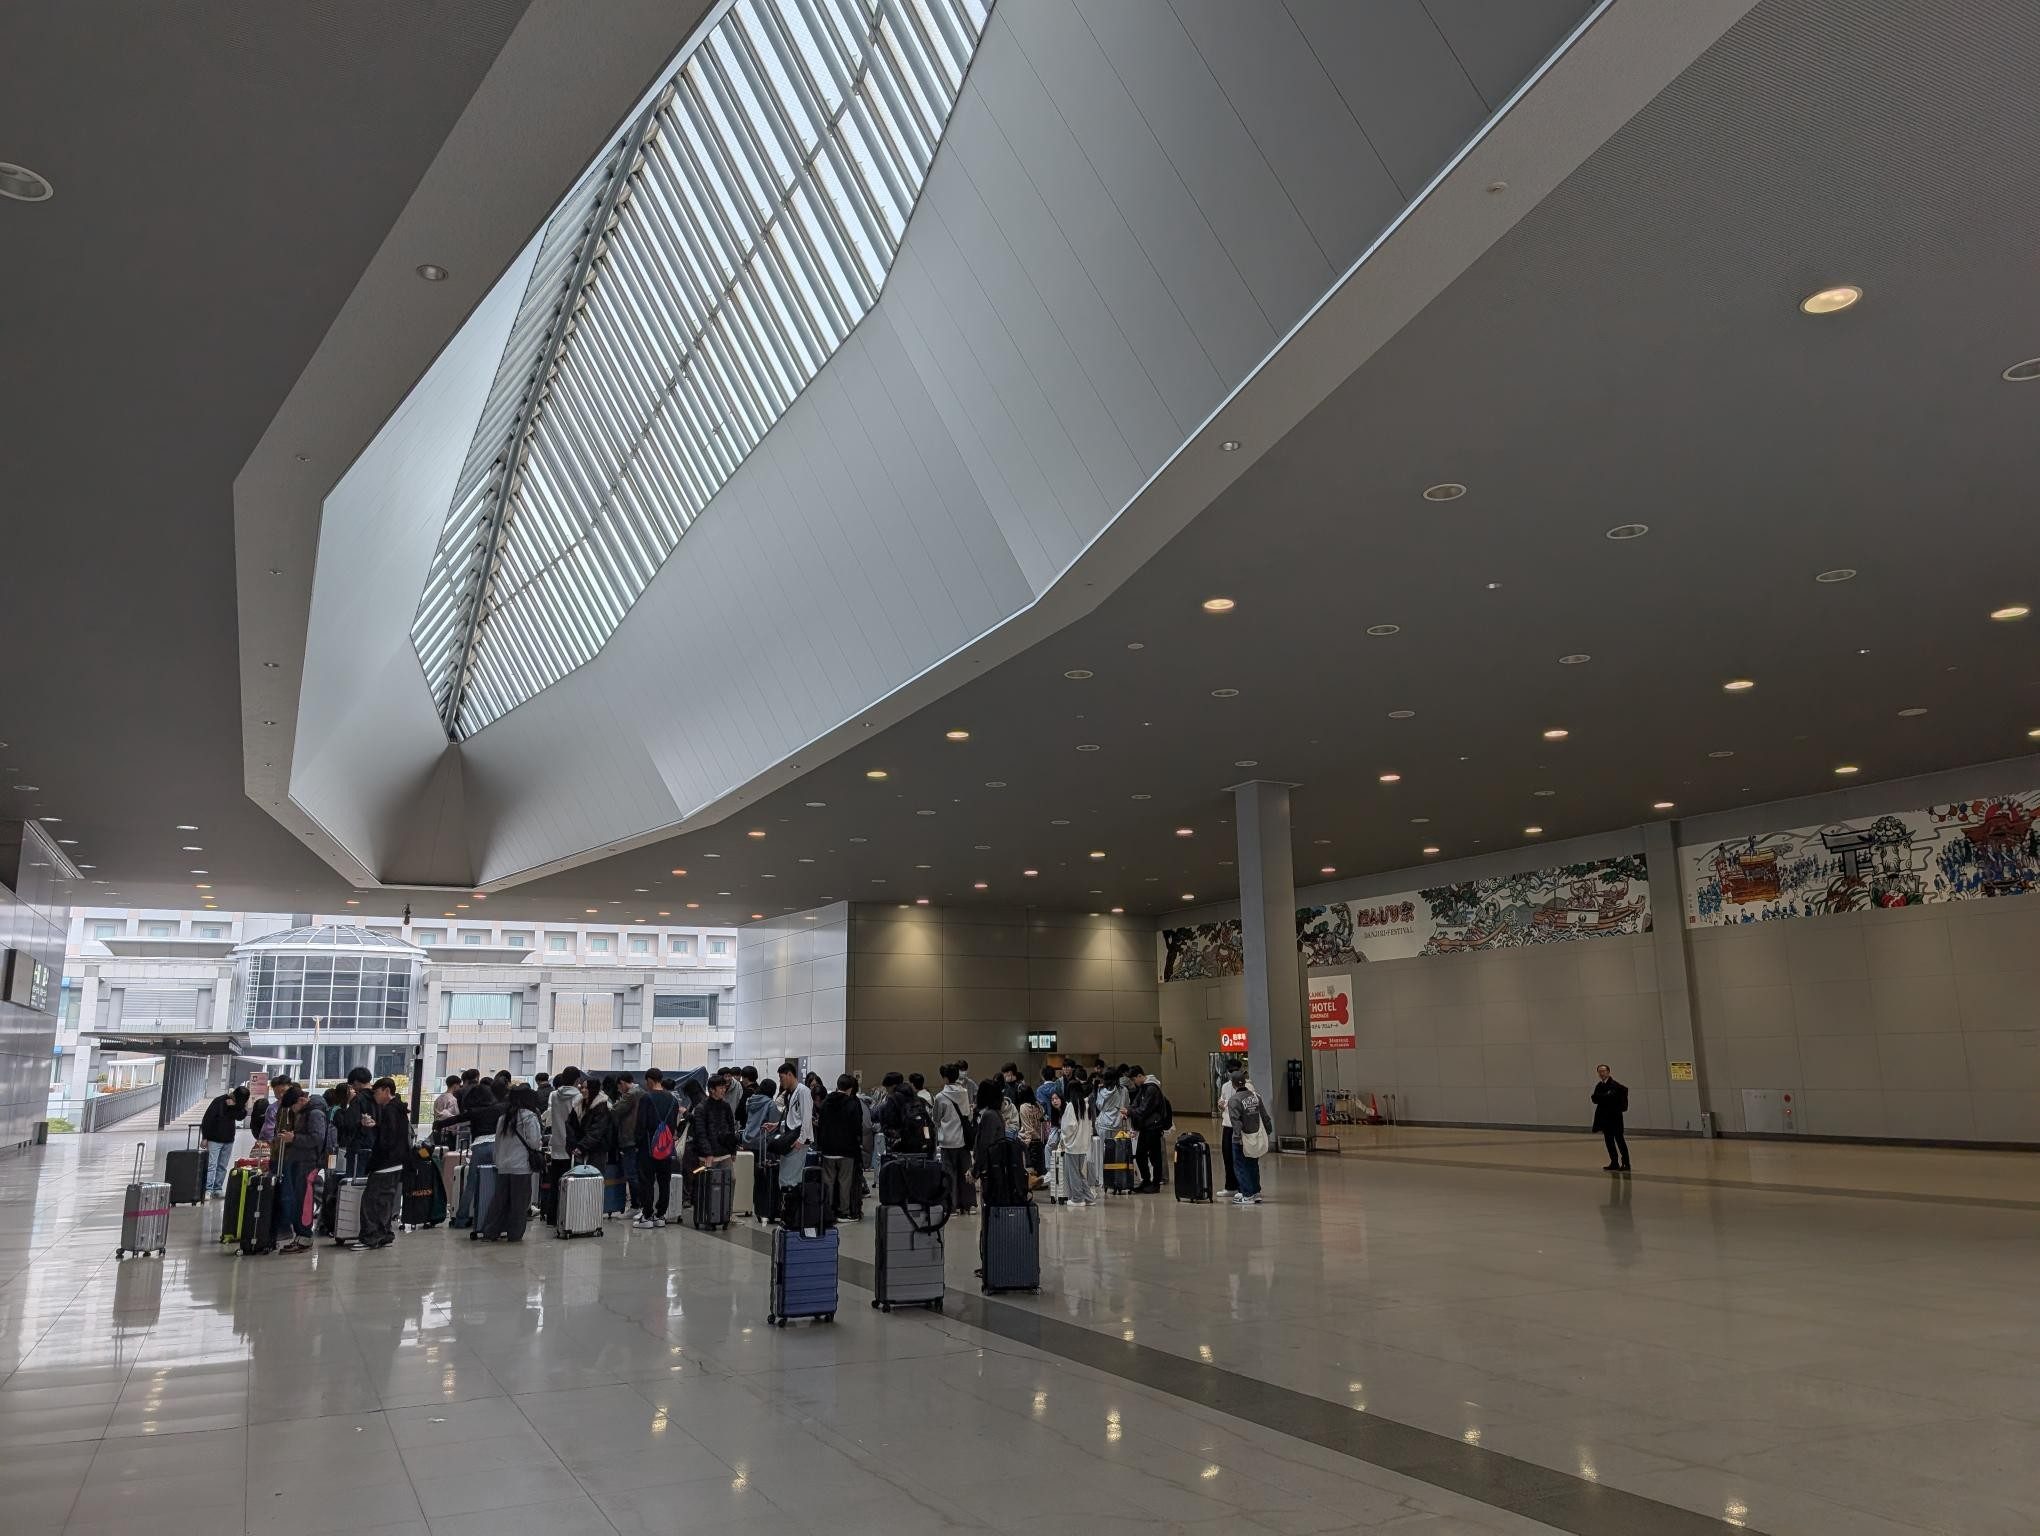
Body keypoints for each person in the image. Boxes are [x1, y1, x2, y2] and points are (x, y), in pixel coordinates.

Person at [480, 1086, 544, 1242]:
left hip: (503, 1165)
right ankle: (514, 1234)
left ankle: (491, 1232)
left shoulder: (503, 1118)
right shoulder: (529, 1117)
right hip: (521, 1167)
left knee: (499, 1201)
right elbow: (534, 1143)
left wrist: (498, 1160)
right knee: (519, 1203)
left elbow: (497, 1142)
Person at [272, 1083, 329, 1253]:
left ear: (301, 1100)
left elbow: (317, 1139)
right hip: (299, 1161)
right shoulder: (306, 1113)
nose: (293, 1110)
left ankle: (305, 1236)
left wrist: (294, 1138)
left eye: (293, 1106)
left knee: (304, 1200)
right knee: (298, 1199)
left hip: (308, 1163)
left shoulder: (315, 1114)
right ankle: (300, 1235)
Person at [356, 1077, 410, 1250]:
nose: (375, 1096)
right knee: (385, 1201)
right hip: (397, 1162)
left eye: (377, 1092)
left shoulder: (389, 1110)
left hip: (385, 1162)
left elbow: (389, 1138)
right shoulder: (400, 1108)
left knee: (371, 1201)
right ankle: (384, 1234)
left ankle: (370, 1237)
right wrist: (377, 1126)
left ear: (387, 1090)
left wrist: (379, 1151)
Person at [436, 1079, 497, 1228]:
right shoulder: (497, 1110)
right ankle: (490, 1219)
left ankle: (461, 1219)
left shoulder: (474, 1112)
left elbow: (456, 1119)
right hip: (497, 1146)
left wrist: (439, 1124)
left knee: (471, 1184)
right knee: (495, 1183)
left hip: (479, 1147)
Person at [633, 1068, 680, 1228]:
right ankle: (661, 1215)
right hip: (666, 1147)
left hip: (648, 1147)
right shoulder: (673, 1100)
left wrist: (637, 1143)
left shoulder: (646, 1098)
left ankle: (646, 1216)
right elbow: (673, 1125)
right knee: (664, 1181)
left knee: (646, 1181)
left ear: (650, 1080)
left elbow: (641, 1124)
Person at [815, 1073, 865, 1219]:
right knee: (844, 1182)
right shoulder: (852, 1104)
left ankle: (827, 1211)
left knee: (828, 1181)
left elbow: (821, 1124)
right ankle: (844, 1211)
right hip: (847, 1150)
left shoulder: (826, 1102)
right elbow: (857, 1127)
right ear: (850, 1088)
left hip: (828, 1149)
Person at [771, 1061, 814, 1218]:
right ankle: (789, 1212)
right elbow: (793, 1118)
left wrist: (801, 1139)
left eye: (782, 1078)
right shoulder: (791, 1093)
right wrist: (776, 1125)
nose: (781, 1081)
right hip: (791, 1138)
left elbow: (806, 1118)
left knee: (790, 1178)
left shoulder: (803, 1091)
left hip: (798, 1141)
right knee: (785, 1177)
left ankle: (792, 1214)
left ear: (790, 1075)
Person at [1225, 1070, 1272, 1206]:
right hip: (1256, 1136)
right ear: (1245, 1081)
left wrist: (1237, 1138)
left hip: (1242, 1138)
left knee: (1240, 1166)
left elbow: (1236, 1122)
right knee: (1253, 1164)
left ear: (1233, 1084)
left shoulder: (1234, 1100)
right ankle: (1256, 1192)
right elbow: (1265, 1116)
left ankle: (1247, 1194)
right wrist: (1268, 1130)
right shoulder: (1255, 1097)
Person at [934, 1063, 972, 1211]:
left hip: (947, 1140)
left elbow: (936, 1118)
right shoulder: (964, 1092)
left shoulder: (940, 1097)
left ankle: (951, 1205)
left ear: (945, 1078)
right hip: (963, 1139)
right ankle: (967, 1204)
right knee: (965, 1172)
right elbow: (968, 1114)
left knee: (949, 1174)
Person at [199, 1085, 249, 1197]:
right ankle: (207, 1189)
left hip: (229, 1139)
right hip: (214, 1139)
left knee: (222, 1166)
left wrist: (236, 1106)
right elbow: (207, 1119)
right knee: (211, 1165)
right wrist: (205, 1137)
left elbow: (240, 1116)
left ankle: (217, 1188)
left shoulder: (237, 1105)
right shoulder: (219, 1101)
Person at [1128, 1066, 1169, 1193]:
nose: (1134, 1082)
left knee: (1155, 1156)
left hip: (1154, 1126)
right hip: (1146, 1127)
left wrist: (1130, 1112)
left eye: (1134, 1079)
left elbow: (1144, 1109)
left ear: (1140, 1076)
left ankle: (1155, 1184)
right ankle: (1146, 1181)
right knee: (1140, 1155)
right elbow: (1136, 1104)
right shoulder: (1144, 1088)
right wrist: (1130, 1110)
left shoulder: (1151, 1088)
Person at [688, 1071, 740, 1170]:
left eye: (724, 1087)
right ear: (712, 1089)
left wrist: (733, 1150)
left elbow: (731, 1128)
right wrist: (708, 1153)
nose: (724, 1090)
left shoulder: (726, 1106)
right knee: (709, 1179)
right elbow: (701, 1133)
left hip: (725, 1153)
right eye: (721, 1088)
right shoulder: (701, 1107)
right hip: (708, 1155)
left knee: (729, 1178)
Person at [1055, 1085, 1095, 1205]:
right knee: (1080, 1172)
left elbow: (1069, 1126)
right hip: (1083, 1145)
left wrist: (1064, 1138)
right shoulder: (1086, 1105)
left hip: (1073, 1145)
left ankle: (1077, 1199)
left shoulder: (1071, 1105)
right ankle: (1088, 1198)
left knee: (1073, 1173)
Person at [336, 1066, 377, 1177]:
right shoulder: (377, 1097)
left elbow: (349, 1123)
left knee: (354, 1181)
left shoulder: (358, 1099)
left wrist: (349, 1103)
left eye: (352, 1085)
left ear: (356, 1082)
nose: (353, 1088)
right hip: (375, 1147)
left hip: (359, 1148)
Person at [612, 1073, 644, 1213]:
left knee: (631, 1173)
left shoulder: (631, 1094)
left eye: (619, 1086)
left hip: (629, 1138)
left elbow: (615, 1110)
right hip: (638, 1138)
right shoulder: (642, 1092)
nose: (619, 1089)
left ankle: (636, 1206)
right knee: (637, 1173)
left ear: (623, 1083)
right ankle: (640, 1205)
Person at [970, 1078, 1008, 1192]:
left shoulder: (989, 1115)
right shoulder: (996, 1113)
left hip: (990, 1168)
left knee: (989, 1197)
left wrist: (974, 1171)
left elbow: (984, 1145)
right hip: (996, 1166)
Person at [1593, 1064, 1631, 1172]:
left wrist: (1603, 1097)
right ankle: (1614, 1162)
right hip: (1605, 1118)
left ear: (1608, 1072)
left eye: (1603, 1071)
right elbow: (1595, 1098)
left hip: (1615, 1118)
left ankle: (1626, 1163)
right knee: (1609, 1141)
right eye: (1599, 1071)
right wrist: (1606, 1096)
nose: (1601, 1073)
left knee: (1620, 1140)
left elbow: (1611, 1097)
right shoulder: (1599, 1085)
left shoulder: (1615, 1085)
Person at [1217, 1068, 1240, 1195]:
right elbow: (1222, 1103)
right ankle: (1230, 1186)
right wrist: (1221, 1105)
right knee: (1227, 1156)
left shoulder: (1247, 1086)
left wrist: (1227, 1103)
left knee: (1240, 1158)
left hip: (1239, 1127)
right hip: (1227, 1124)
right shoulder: (1225, 1086)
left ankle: (1244, 1187)